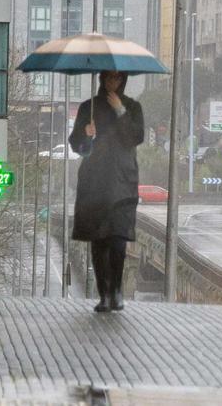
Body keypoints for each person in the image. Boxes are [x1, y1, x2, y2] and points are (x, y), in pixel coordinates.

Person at [69, 71, 144, 312]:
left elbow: (135, 137)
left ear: (123, 80)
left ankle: (116, 291)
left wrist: (120, 111)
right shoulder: (88, 108)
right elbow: (78, 146)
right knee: (99, 241)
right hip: (95, 182)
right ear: (102, 80)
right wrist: (85, 135)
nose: (113, 83)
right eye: (109, 79)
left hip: (123, 182)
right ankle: (104, 293)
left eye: (118, 79)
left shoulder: (132, 107)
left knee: (118, 239)